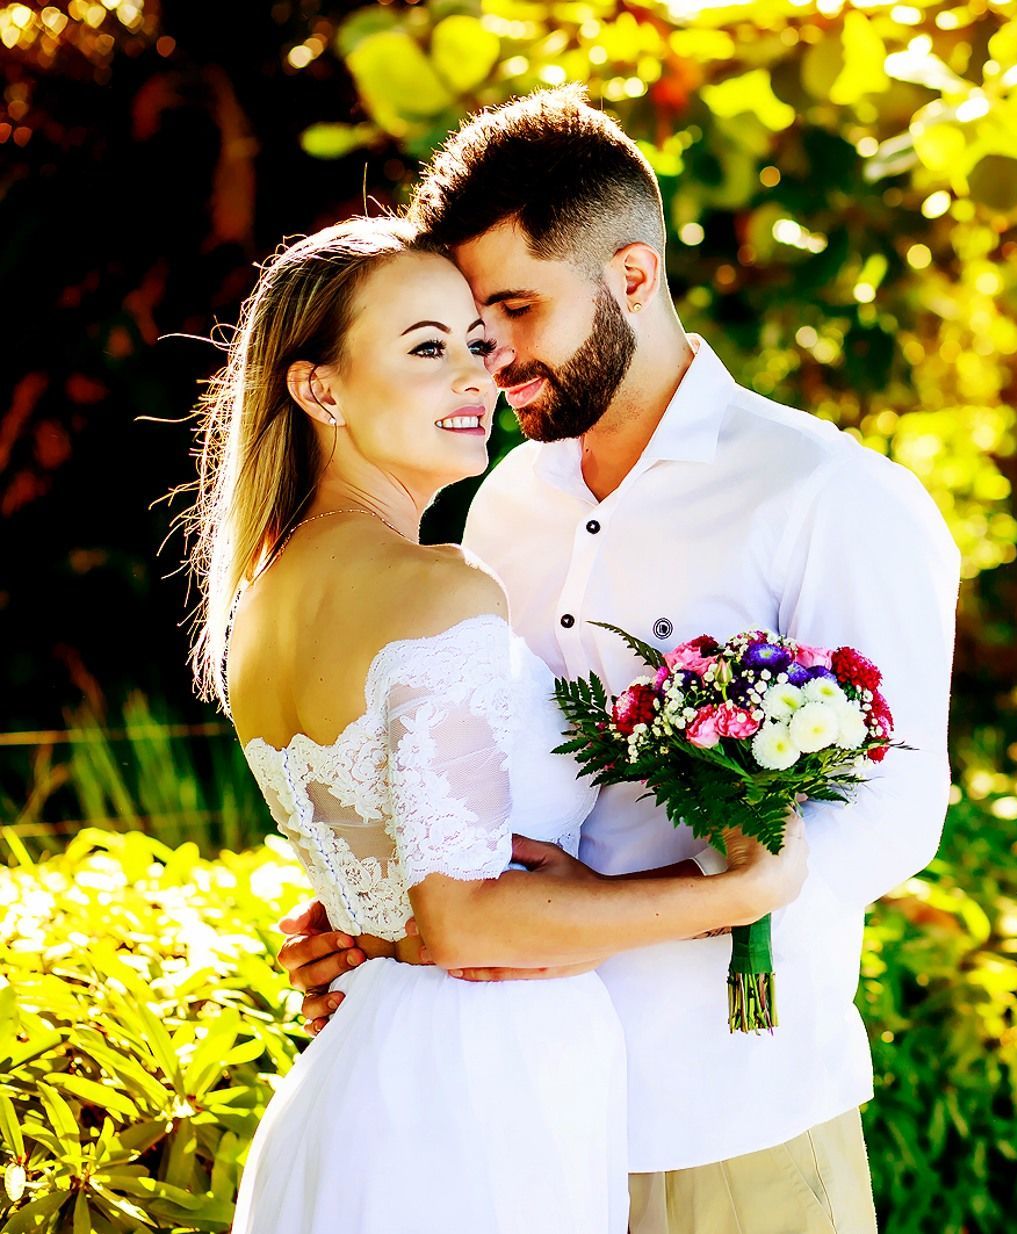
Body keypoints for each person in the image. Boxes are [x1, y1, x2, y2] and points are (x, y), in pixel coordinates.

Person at [275, 86, 963, 1234]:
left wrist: (635, 907)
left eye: (513, 310)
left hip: (721, 1116)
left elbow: (895, 814)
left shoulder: (830, 497)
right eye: (467, 326)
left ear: (632, 277)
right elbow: (483, 777)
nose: (489, 361)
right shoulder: (497, 505)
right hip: (513, 1122)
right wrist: (385, 901)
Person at [180, 214, 808, 1234]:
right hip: (475, 1093)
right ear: (320, 388)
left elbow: (394, 890)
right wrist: (741, 889)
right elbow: (461, 921)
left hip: (372, 1061)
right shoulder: (438, 588)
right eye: (427, 349)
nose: (476, 377)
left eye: (478, 345)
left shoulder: (263, 602)